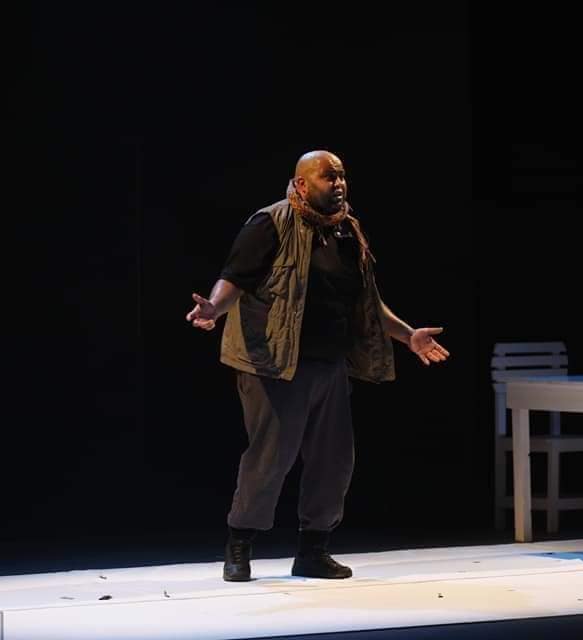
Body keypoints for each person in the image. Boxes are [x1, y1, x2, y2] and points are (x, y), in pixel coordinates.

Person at [186, 150, 449, 582]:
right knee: (270, 459)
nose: (339, 184)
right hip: (273, 365)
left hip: (329, 365)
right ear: (302, 184)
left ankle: (312, 550)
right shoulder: (270, 223)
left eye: (342, 176)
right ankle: (239, 545)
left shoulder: (347, 230)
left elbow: (368, 302)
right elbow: (234, 278)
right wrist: (214, 307)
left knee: (334, 461)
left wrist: (408, 335)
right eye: (329, 177)